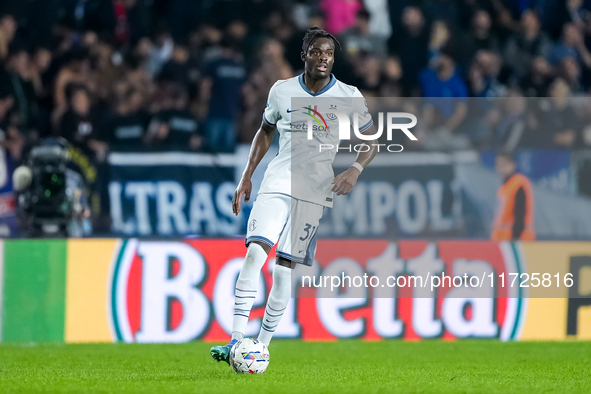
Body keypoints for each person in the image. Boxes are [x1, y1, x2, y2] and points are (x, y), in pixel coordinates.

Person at [210, 26, 378, 364]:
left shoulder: (348, 95)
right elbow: (265, 130)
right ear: (305, 55)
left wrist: (355, 170)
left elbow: (371, 141)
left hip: (313, 193)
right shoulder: (282, 91)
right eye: (317, 52)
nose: (323, 58)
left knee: (284, 270)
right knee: (255, 254)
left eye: (329, 54)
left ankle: (262, 346)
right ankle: (235, 340)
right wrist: (247, 176)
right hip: (276, 183)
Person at [491, 151, 535, 241]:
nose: (500, 168)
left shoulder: (519, 184)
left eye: (504, 164)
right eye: (498, 165)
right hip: (502, 239)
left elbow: (520, 215)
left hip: (516, 240)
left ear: (513, 164)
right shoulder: (505, 186)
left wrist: (515, 239)